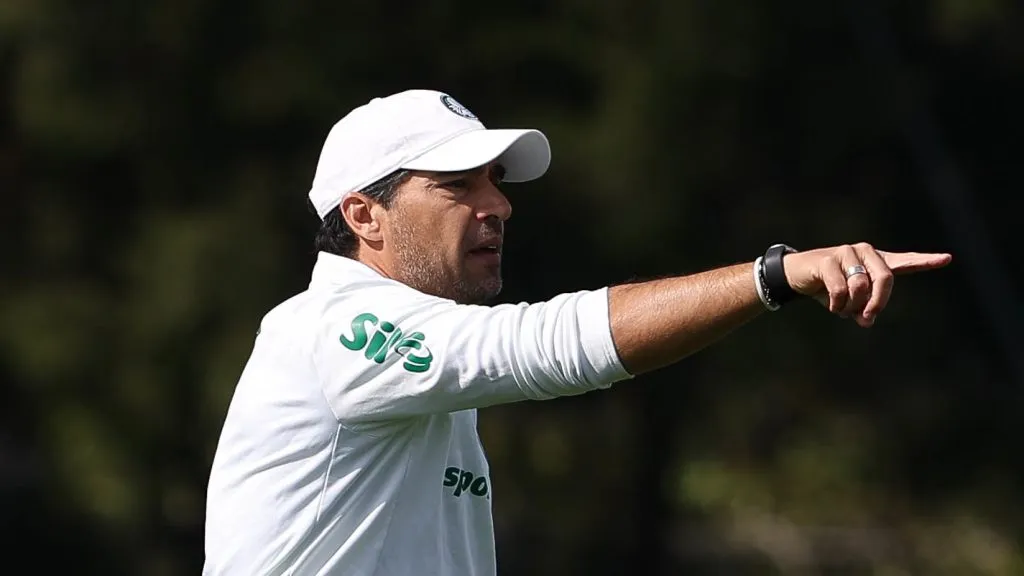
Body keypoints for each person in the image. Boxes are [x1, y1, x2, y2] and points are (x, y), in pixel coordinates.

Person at [201, 89, 952, 575]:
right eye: (458, 185)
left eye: (496, 181)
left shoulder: (409, 354)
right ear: (364, 215)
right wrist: (774, 275)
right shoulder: (334, 329)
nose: (498, 205)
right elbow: (545, 345)